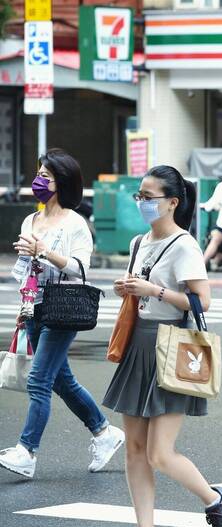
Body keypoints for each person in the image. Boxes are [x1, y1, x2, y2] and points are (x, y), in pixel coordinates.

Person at [102, 165, 222, 527]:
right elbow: (140, 293)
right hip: (137, 345)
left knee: (161, 453)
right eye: (139, 196)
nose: (142, 202)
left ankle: (216, 499)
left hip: (172, 347)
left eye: (149, 196)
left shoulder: (185, 246)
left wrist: (154, 289)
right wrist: (128, 289)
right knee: (135, 450)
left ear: (172, 202)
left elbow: (202, 301)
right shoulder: (139, 242)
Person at [0, 149, 125, 479]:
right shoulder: (31, 219)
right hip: (37, 306)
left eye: (46, 176)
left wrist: (45, 250)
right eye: (39, 173)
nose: (39, 180)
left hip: (63, 307)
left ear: (63, 183)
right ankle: (104, 432)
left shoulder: (75, 224)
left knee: (39, 380)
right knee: (61, 381)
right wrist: (23, 309)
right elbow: (27, 270)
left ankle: (27, 451)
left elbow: (81, 269)